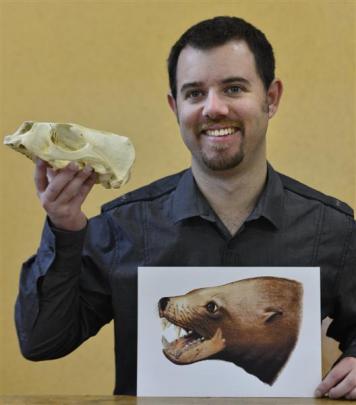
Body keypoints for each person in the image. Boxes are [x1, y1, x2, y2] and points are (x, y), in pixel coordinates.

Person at [15, 16, 356, 399]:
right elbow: (42, 342)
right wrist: (64, 230)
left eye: (233, 88)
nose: (214, 108)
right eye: (195, 93)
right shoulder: (124, 226)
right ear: (175, 106)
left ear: (271, 98)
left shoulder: (332, 229)